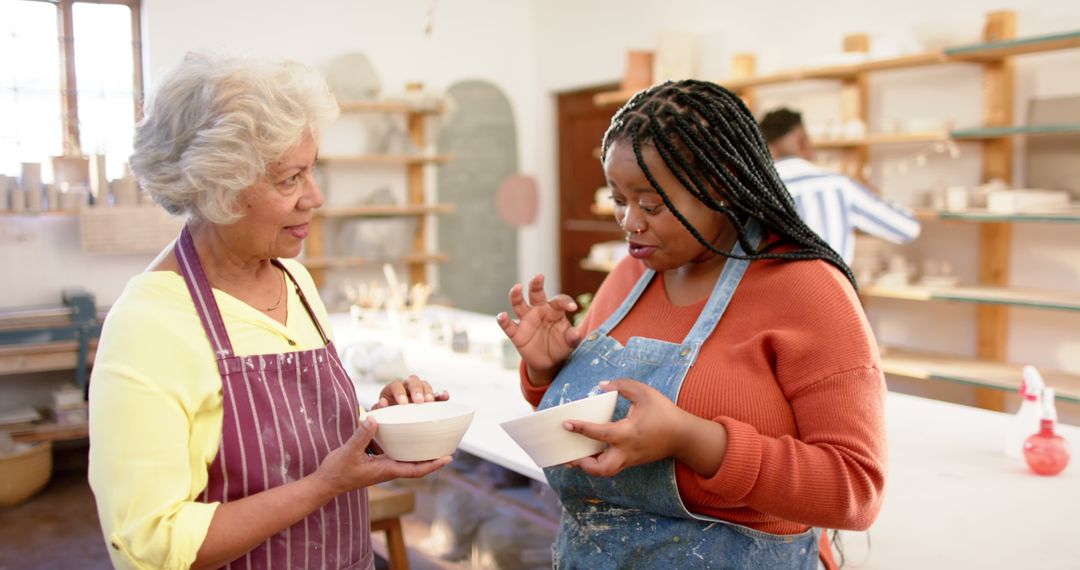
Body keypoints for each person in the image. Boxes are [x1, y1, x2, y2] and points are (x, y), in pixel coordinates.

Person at [497, 80, 886, 569]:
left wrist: (692, 439)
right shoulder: (630, 276)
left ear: (720, 185)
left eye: (652, 204)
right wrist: (548, 373)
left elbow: (855, 489)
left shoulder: (807, 289)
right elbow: (602, 422)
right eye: (618, 199)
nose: (630, 222)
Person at [88, 53, 452, 570]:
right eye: (290, 179)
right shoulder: (150, 323)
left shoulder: (295, 281)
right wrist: (326, 484)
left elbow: (302, 448)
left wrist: (378, 431)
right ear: (218, 189)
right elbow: (153, 545)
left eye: (313, 169)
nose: (316, 196)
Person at [759, 107, 920, 265]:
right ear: (803, 141)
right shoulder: (838, 186)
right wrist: (871, 195)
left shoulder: (753, 189)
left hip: (765, 290)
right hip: (830, 289)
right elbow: (907, 228)